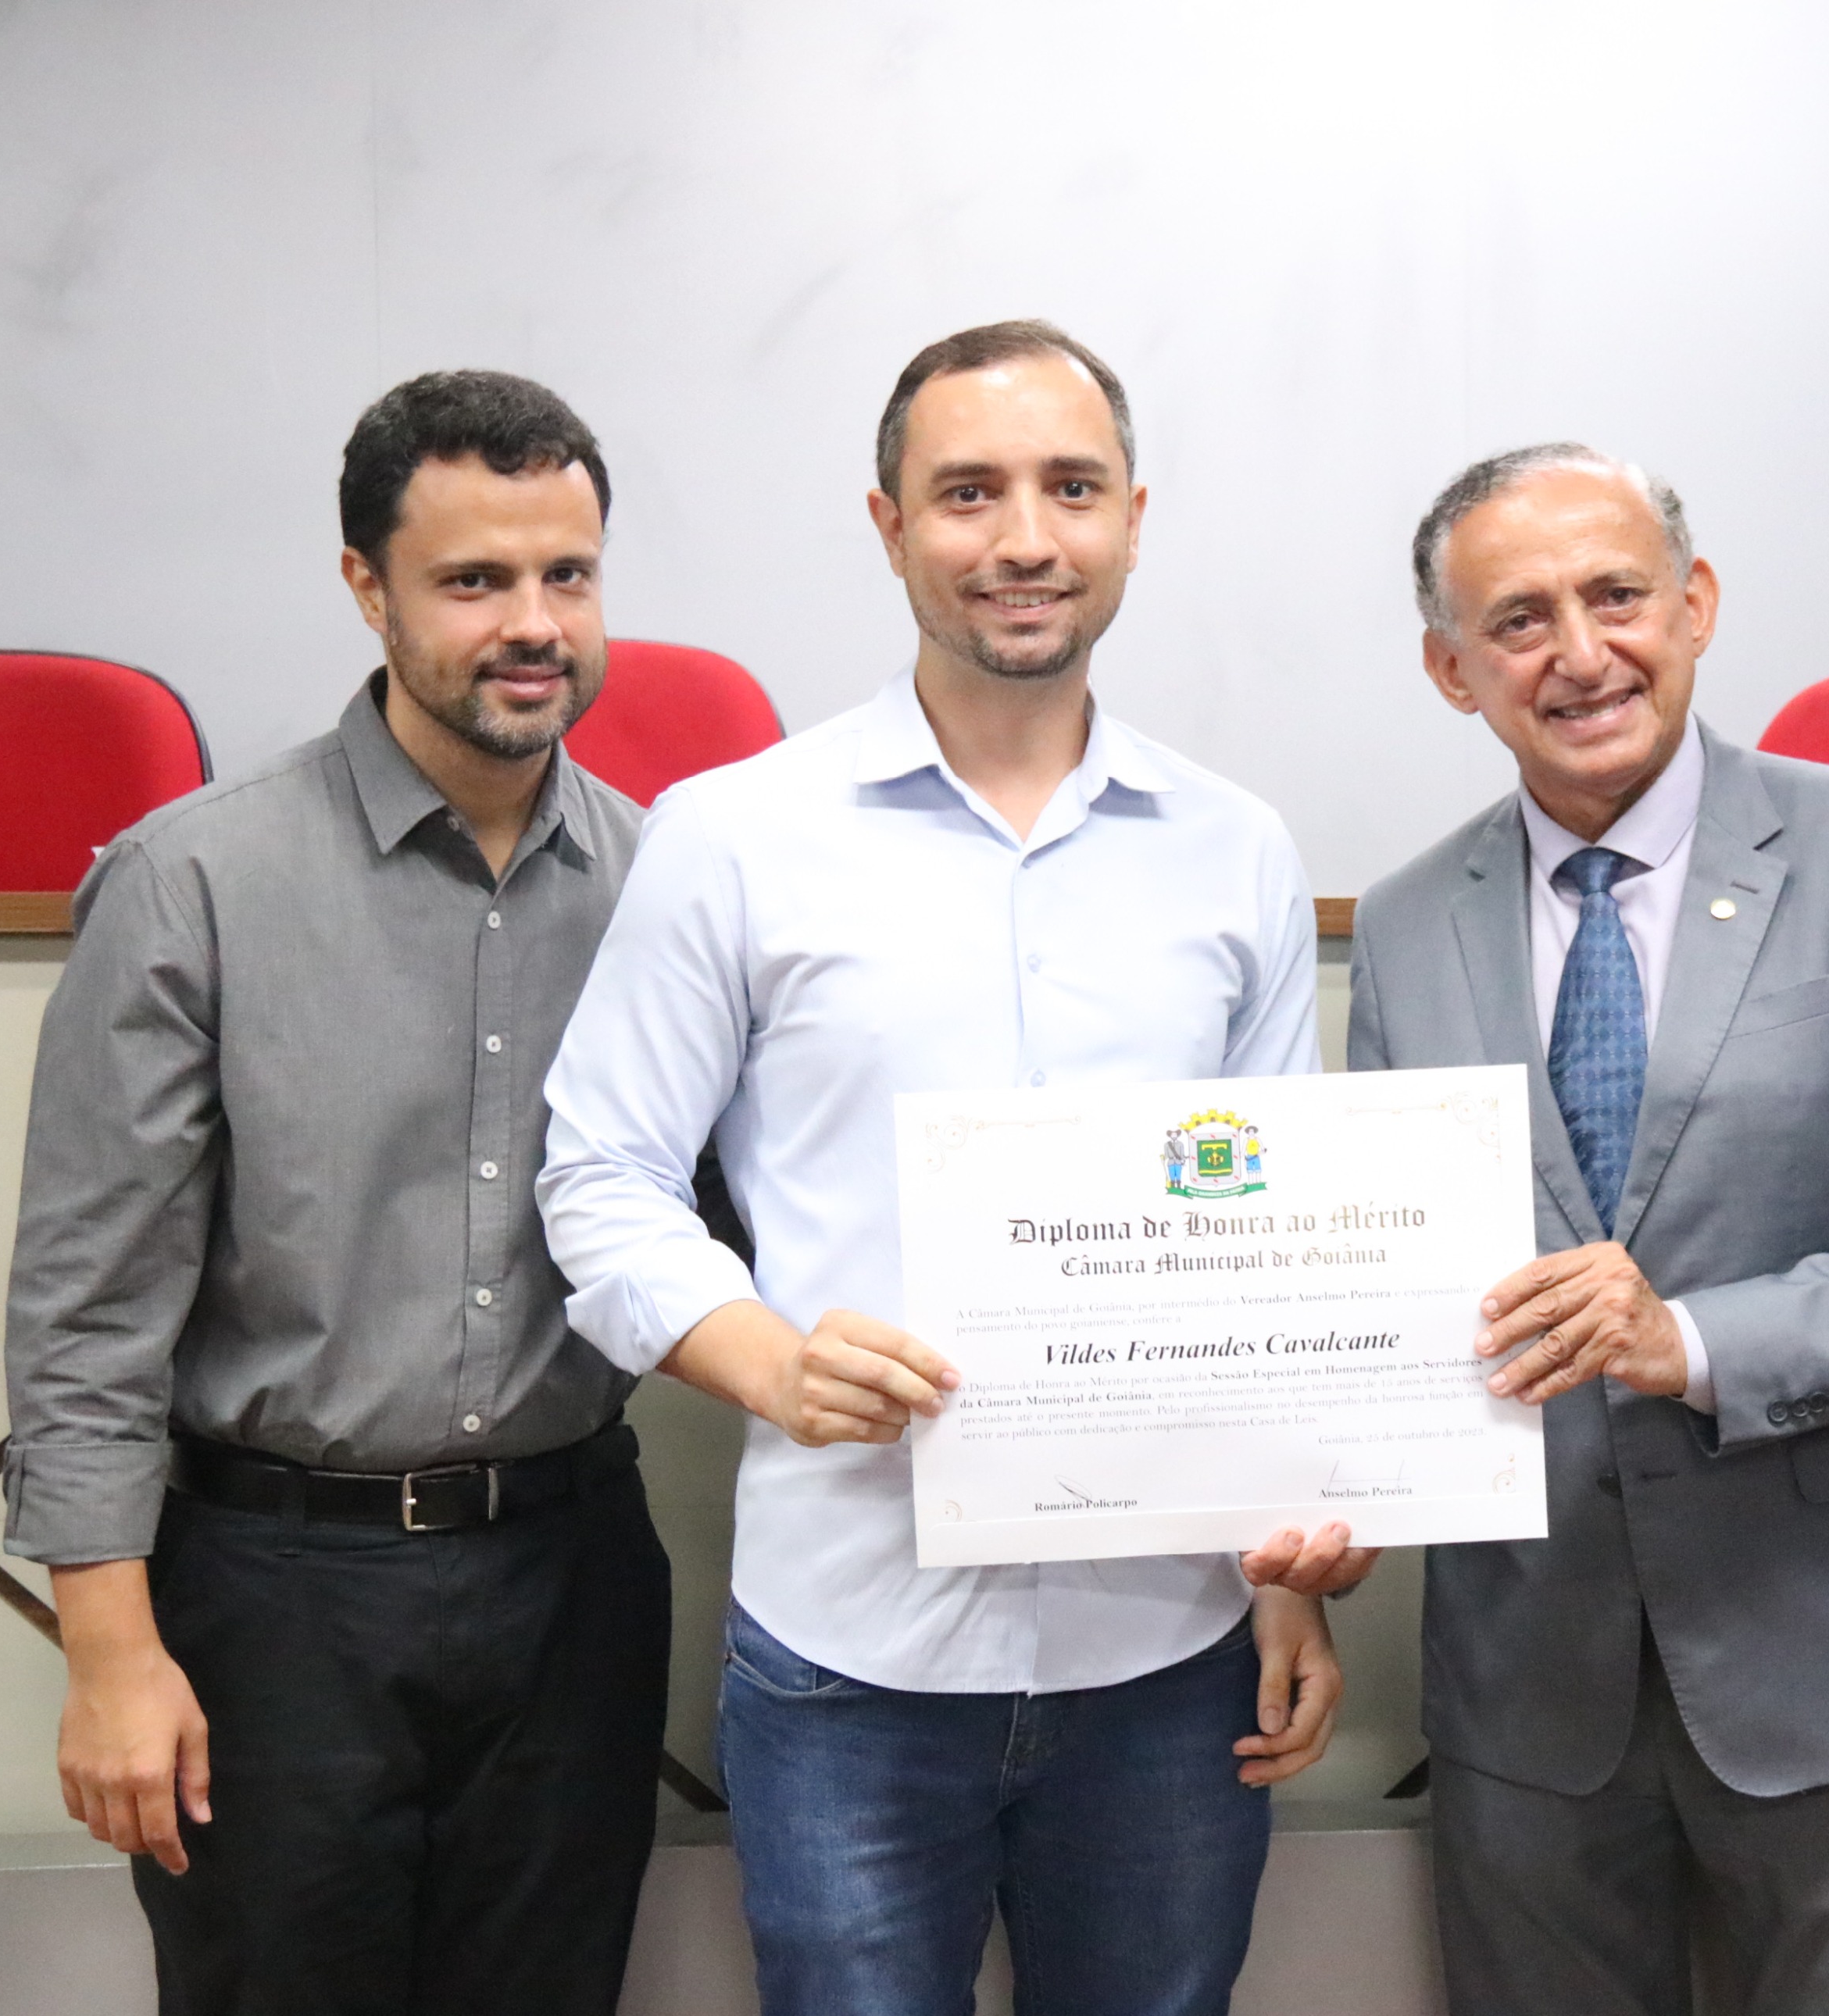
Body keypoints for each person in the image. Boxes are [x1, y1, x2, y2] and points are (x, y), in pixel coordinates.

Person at [538, 320, 1360, 2016]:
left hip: (1168, 1657)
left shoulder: (1237, 849)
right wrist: (766, 1358)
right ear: (890, 524)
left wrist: (1286, 1576)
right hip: (852, 1648)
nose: (1023, 538)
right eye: (968, 492)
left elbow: (1274, 1248)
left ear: (1133, 518)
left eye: (1071, 488)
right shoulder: (735, 833)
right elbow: (601, 1176)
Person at [1349, 443, 1829, 2014]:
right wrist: (1324, 1484)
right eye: (1519, 619)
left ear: (1697, 605)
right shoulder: (1403, 925)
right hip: (1527, 1685)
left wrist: (1686, 1340)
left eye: (1617, 596)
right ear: (1451, 669)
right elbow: (1389, 1283)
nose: (1581, 651)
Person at [2, 371, 669, 2014]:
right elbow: (89, 1311)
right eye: (474, 580)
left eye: (567, 575)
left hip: (573, 1577)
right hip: (276, 1598)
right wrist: (109, 1654)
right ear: (368, 587)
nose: (533, 625)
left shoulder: (673, 884)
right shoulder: (193, 881)